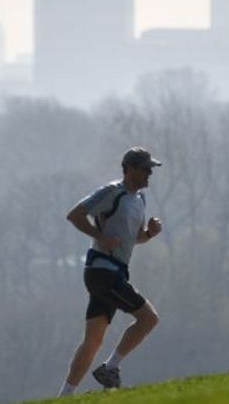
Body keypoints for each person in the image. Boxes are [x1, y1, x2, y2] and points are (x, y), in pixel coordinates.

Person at [57, 147, 164, 396]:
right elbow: (74, 215)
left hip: (115, 271)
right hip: (102, 272)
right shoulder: (112, 192)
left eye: (151, 169)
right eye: (146, 169)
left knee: (93, 341)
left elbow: (133, 238)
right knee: (149, 319)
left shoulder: (140, 199)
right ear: (130, 169)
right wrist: (99, 236)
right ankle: (110, 368)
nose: (150, 174)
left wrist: (149, 234)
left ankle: (64, 396)